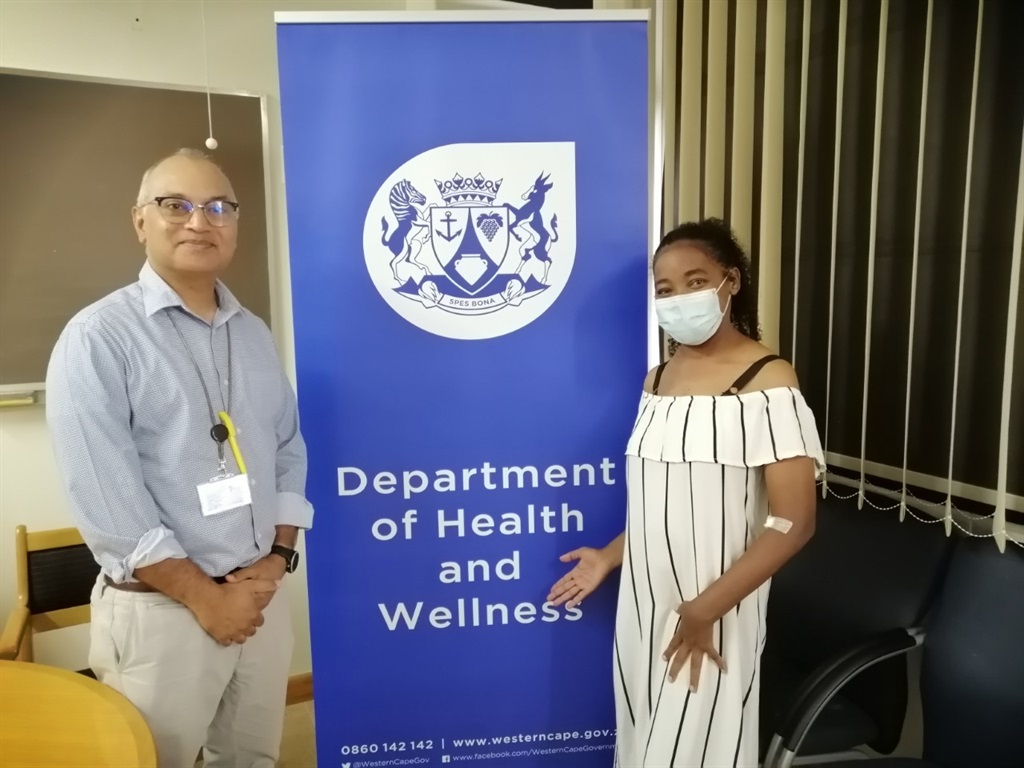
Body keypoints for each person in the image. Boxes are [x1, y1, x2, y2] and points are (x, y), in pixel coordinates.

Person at [45, 148, 313, 768]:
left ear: (235, 223)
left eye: (219, 207)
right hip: (161, 614)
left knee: (253, 759)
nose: (200, 221)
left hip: (258, 597)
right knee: (150, 759)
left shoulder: (253, 333)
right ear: (140, 220)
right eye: (176, 205)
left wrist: (277, 560)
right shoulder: (98, 338)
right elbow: (107, 500)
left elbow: (287, 447)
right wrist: (206, 600)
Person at [547, 218, 824, 767]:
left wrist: (704, 610)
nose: (679, 299)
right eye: (666, 289)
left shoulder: (768, 381)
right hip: (645, 605)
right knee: (642, 746)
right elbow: (667, 504)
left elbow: (794, 523)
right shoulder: (657, 381)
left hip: (715, 610)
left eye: (695, 282)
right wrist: (609, 557)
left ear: (731, 281)